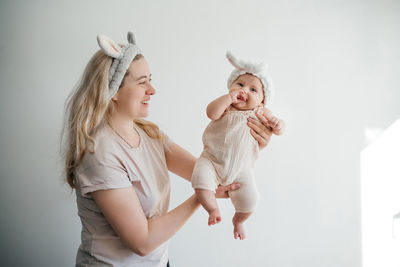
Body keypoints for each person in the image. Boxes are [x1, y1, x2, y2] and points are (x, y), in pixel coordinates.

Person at [62, 31, 274, 267]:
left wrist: (248, 146)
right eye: (142, 82)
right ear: (113, 91)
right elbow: (142, 242)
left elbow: (217, 175)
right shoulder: (99, 153)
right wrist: (201, 196)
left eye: (150, 80)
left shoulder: (151, 135)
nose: (152, 90)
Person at [191, 52, 285, 240]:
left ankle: (239, 220)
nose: (244, 91)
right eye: (240, 84)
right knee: (200, 182)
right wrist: (228, 98)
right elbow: (211, 112)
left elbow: (278, 128)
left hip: (243, 170)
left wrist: (278, 125)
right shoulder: (226, 106)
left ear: (263, 100)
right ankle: (212, 209)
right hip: (211, 160)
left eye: (253, 90)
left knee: (251, 201)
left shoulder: (261, 112)